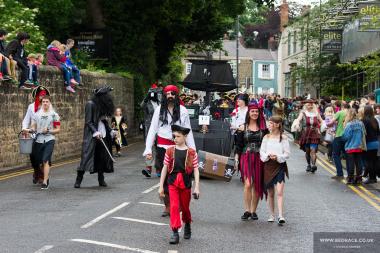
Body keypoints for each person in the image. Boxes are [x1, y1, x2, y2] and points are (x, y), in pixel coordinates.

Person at [143, 84, 196, 216]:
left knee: (178, 176)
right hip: (162, 148)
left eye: (173, 94)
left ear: (176, 96)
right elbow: (152, 129)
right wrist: (148, 148)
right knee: (165, 177)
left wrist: (192, 150)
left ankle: (177, 202)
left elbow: (187, 132)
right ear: (165, 96)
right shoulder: (159, 110)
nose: (170, 96)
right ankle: (168, 205)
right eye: (168, 94)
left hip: (179, 149)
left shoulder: (183, 110)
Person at [158, 125, 200, 244]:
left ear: (185, 137)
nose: (175, 138)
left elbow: (196, 169)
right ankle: (175, 232)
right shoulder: (169, 150)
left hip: (186, 182)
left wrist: (197, 187)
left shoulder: (192, 152)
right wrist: (161, 186)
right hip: (172, 182)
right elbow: (165, 168)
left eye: (178, 136)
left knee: (185, 208)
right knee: (174, 206)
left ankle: (187, 223)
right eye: (174, 136)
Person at [74, 86, 115, 188]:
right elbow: (88, 121)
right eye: (106, 95)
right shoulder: (90, 104)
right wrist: (95, 132)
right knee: (86, 158)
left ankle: (101, 180)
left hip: (103, 134)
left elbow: (103, 121)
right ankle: (78, 180)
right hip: (92, 136)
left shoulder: (102, 106)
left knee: (101, 157)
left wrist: (110, 130)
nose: (108, 97)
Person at [234, 101, 268, 221]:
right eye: (252, 111)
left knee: (256, 184)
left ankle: (253, 211)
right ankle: (247, 210)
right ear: (249, 113)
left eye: (256, 111)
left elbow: (270, 142)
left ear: (259, 113)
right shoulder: (242, 127)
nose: (254, 113)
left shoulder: (264, 129)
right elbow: (238, 145)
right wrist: (236, 159)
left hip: (259, 157)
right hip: (246, 156)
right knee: (248, 184)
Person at [260, 116, 290, 225]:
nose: (269, 125)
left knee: (280, 192)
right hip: (268, 166)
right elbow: (262, 152)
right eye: (269, 123)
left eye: (271, 123)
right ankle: (271, 215)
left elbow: (287, 154)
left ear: (277, 124)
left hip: (279, 166)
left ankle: (281, 215)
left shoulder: (284, 138)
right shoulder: (266, 137)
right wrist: (268, 156)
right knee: (270, 193)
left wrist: (277, 157)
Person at [30, 96, 61, 189]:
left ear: (50, 102)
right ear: (41, 103)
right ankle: (43, 176)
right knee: (38, 161)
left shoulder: (54, 115)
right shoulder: (36, 115)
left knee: (45, 160)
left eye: (47, 101)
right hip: (38, 140)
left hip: (49, 140)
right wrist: (30, 130)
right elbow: (33, 126)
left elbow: (58, 129)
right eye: (43, 101)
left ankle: (45, 181)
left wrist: (49, 131)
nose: (45, 103)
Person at [22, 86, 50, 184]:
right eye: (40, 95)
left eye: (44, 95)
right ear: (36, 96)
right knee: (33, 157)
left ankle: (43, 175)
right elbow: (26, 120)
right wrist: (24, 129)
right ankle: (37, 171)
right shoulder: (31, 107)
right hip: (34, 136)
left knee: (45, 157)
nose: (42, 98)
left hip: (46, 136)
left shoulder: (48, 107)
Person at [294, 99, 323, 173]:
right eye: (308, 105)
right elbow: (298, 119)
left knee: (313, 150)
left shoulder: (316, 113)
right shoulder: (303, 113)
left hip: (314, 134)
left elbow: (321, 121)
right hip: (306, 134)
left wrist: (324, 126)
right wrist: (297, 124)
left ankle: (313, 165)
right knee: (307, 151)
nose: (310, 106)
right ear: (305, 106)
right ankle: (308, 165)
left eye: (311, 105)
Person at [141, 84, 161, 176]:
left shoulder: (159, 103)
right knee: (149, 147)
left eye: (155, 93)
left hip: (159, 128)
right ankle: (148, 168)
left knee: (158, 148)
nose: (153, 95)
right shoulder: (147, 103)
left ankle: (158, 169)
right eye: (152, 93)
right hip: (149, 128)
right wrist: (147, 97)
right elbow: (141, 106)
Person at [341, 109, 365, 185]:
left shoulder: (349, 125)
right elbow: (364, 134)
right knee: (358, 163)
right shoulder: (361, 123)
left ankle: (350, 178)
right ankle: (359, 178)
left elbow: (345, 137)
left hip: (350, 146)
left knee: (350, 163)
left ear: (349, 115)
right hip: (359, 146)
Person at [327, 103, 350, 179]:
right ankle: (350, 174)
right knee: (347, 155)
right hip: (349, 137)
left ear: (342, 107)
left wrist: (327, 124)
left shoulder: (340, 112)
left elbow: (331, 123)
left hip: (339, 135)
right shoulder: (352, 113)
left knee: (335, 154)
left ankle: (340, 173)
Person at [361, 105, 379, 184]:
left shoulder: (364, 120)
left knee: (369, 162)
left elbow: (363, 133)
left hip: (368, 143)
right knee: (374, 161)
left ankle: (371, 178)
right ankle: (374, 178)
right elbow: (378, 131)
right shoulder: (374, 119)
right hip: (376, 143)